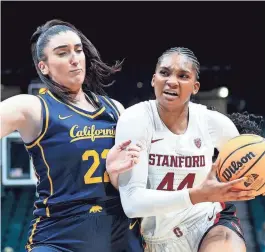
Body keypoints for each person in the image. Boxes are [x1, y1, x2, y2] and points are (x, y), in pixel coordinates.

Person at [0, 19, 144, 252]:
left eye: (78, 50)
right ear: (43, 66)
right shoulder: (33, 108)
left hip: (120, 236)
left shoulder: (115, 108)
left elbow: (136, 180)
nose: (75, 58)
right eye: (62, 53)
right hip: (60, 238)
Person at [107, 47, 260, 252]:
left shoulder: (213, 123)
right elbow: (132, 204)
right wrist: (198, 194)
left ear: (195, 87)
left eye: (183, 76)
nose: (171, 81)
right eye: (165, 73)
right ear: (154, 80)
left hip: (208, 221)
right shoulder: (135, 120)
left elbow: (251, 166)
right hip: (155, 237)